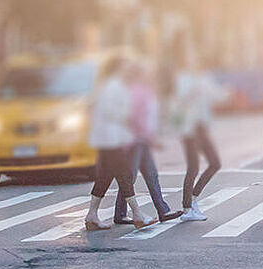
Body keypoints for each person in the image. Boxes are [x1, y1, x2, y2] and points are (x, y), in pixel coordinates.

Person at [86, 56, 156, 230]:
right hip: (111, 138)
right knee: (124, 175)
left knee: (105, 177)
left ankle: (91, 215)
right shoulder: (113, 86)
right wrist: (126, 116)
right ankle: (138, 215)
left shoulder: (110, 85)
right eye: (126, 66)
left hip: (108, 138)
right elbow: (109, 110)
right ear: (118, 68)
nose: (129, 70)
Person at [113, 60, 183, 225]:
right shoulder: (136, 91)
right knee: (129, 176)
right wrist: (149, 137)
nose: (150, 74)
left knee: (151, 174)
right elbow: (135, 117)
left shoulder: (144, 90)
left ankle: (163, 210)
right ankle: (120, 213)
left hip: (141, 140)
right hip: (135, 141)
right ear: (140, 75)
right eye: (147, 72)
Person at [169, 42, 227, 221]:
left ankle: (193, 200)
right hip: (189, 128)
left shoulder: (204, 78)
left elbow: (216, 96)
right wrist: (192, 92)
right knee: (193, 167)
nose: (197, 65)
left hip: (201, 126)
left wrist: (226, 94)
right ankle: (187, 210)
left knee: (215, 163)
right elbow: (179, 101)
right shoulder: (183, 79)